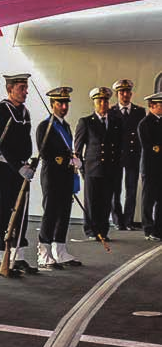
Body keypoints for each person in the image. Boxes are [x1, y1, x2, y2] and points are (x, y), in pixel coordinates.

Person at [0, 74, 37, 275]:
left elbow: (25, 142)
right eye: (21, 88)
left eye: (25, 88)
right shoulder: (0, 111)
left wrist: (27, 163)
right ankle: (0, 255)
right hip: (4, 169)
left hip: (20, 170)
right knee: (4, 212)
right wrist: (18, 166)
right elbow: (3, 144)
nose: (25, 91)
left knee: (21, 214)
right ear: (10, 89)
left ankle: (19, 255)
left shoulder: (24, 111)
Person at [35, 87, 82, 269]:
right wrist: (67, 160)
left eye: (65, 103)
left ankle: (60, 251)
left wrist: (73, 159)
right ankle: (44, 253)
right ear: (52, 104)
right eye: (60, 103)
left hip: (66, 176)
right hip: (52, 176)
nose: (64, 106)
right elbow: (45, 153)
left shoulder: (66, 126)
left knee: (64, 213)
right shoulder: (45, 127)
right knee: (51, 213)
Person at [75, 86, 123, 241]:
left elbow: (119, 146)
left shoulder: (115, 122)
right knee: (92, 202)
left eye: (105, 100)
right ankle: (91, 231)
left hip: (110, 170)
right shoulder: (86, 122)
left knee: (106, 202)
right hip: (92, 169)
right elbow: (78, 150)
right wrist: (82, 170)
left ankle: (103, 231)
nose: (103, 104)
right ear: (94, 103)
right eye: (99, 101)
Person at [110, 79, 145, 231]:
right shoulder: (111, 111)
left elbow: (141, 135)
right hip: (116, 156)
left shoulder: (139, 111)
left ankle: (129, 221)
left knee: (131, 190)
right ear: (117, 94)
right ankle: (118, 221)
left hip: (133, 156)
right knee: (115, 191)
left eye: (127, 92)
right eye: (121, 92)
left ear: (131, 94)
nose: (125, 95)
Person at [140, 92, 162, 240]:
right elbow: (150, 147)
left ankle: (159, 229)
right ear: (152, 106)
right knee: (148, 199)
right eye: (161, 105)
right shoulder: (145, 124)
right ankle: (148, 229)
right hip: (150, 167)